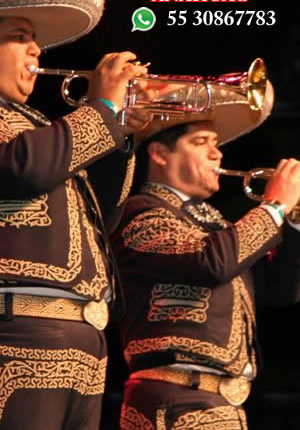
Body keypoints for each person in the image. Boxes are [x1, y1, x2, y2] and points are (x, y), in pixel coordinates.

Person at [0, 0, 151, 429]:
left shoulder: (43, 128)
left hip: (81, 343)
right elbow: (26, 169)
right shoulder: (36, 141)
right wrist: (101, 107)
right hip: (16, 338)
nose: (36, 50)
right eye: (20, 35)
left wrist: (121, 133)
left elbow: (99, 216)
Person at [110, 74, 300, 429]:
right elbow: (212, 263)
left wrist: (292, 224)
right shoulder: (141, 211)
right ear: (160, 154)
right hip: (175, 400)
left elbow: (280, 290)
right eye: (202, 142)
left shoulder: (217, 226)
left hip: (217, 403)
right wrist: (274, 206)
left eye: (216, 142)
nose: (218, 153)